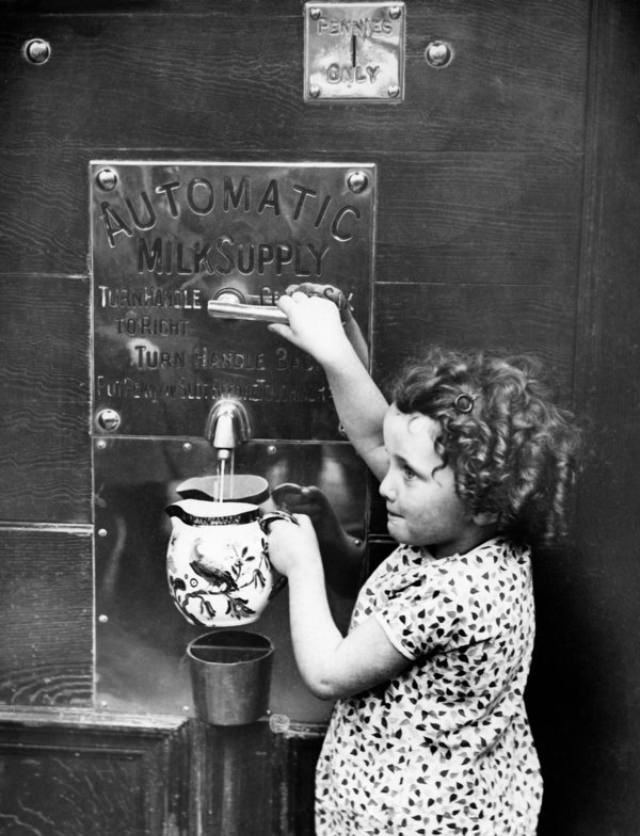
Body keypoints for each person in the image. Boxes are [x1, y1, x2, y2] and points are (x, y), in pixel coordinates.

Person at [265, 289, 581, 835]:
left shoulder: (456, 595)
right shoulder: (470, 533)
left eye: (408, 473)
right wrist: (336, 352)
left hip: (413, 819)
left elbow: (329, 671)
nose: (386, 482)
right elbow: (372, 433)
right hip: (466, 800)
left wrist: (304, 566)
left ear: (483, 496)